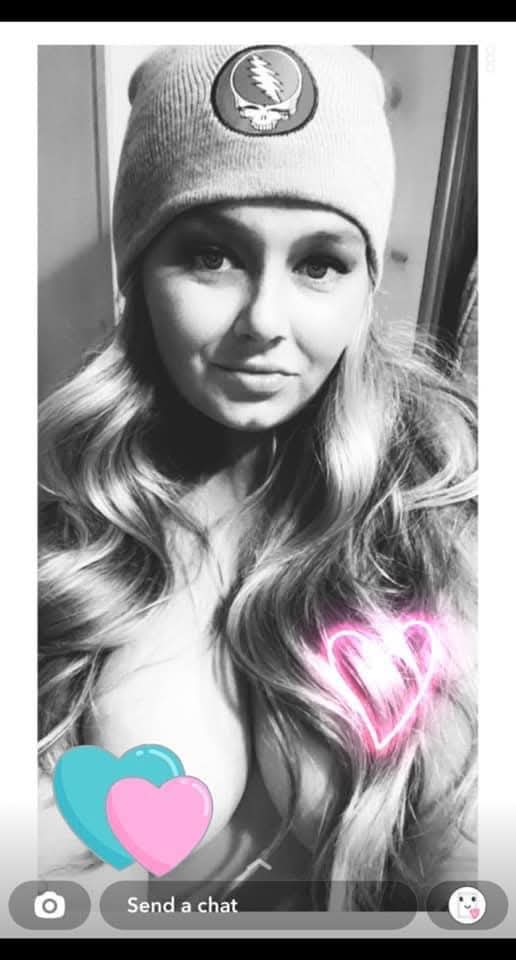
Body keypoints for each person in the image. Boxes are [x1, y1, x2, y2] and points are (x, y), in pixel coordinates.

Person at [38, 44, 478, 912]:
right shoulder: (59, 523)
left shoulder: (446, 518)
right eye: (212, 255)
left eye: (319, 263)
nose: (265, 321)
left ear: (365, 287)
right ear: (139, 273)